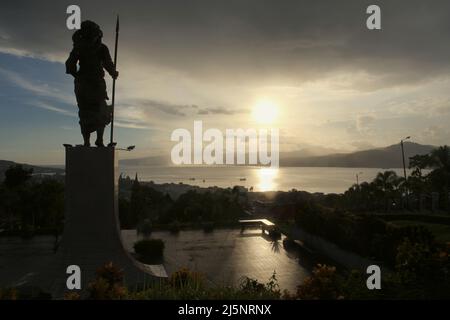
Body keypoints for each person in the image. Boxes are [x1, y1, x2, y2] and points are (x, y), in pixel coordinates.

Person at [65, 20, 118, 147]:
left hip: (89, 84)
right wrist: (112, 72)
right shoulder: (84, 47)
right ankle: (91, 141)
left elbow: (70, 65)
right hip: (89, 84)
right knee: (92, 111)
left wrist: (112, 72)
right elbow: (70, 65)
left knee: (94, 111)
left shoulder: (92, 48)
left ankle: (94, 140)